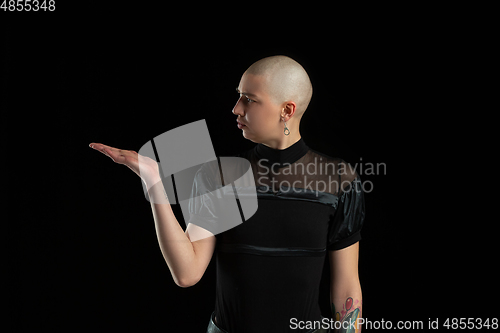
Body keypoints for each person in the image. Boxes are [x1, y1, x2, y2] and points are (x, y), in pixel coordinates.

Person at [90, 55, 365, 333]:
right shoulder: (219, 176)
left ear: (287, 110)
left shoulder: (339, 180)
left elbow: (346, 288)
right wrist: (153, 182)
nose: (236, 108)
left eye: (249, 99)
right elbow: (187, 273)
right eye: (238, 96)